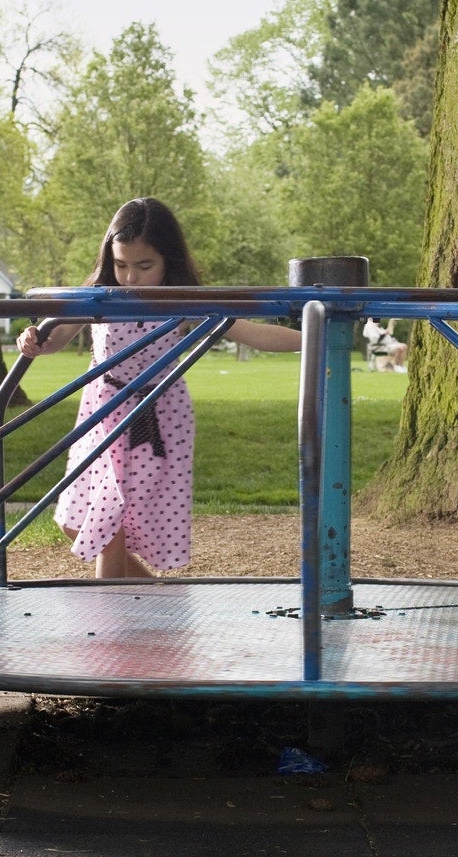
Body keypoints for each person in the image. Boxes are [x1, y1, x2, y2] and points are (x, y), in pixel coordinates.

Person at [17, 198, 300, 579]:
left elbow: (254, 332)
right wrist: (35, 340)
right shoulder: (99, 296)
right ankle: (156, 599)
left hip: (159, 414)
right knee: (75, 520)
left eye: (144, 266)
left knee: (110, 520)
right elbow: (56, 337)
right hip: (102, 409)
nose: (131, 278)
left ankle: (109, 628)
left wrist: (315, 332)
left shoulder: (183, 301)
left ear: (169, 261)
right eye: (121, 265)